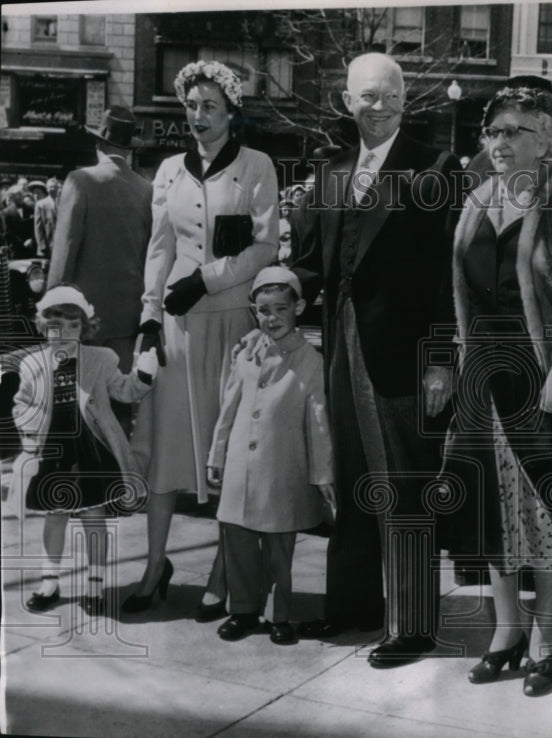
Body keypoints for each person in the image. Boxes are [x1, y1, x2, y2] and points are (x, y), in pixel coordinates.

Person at [290, 52, 462, 668]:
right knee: (353, 478)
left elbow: (450, 274)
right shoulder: (331, 172)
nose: (381, 105)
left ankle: (413, 623)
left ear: (405, 99)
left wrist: (442, 358)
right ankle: (354, 605)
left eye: (391, 95)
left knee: (406, 485)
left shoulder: (436, 166)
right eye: (368, 96)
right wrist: (268, 300)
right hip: (341, 346)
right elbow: (312, 264)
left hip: (405, 353)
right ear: (346, 101)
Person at [447, 85, 552, 696]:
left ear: (546, 138)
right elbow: (462, 294)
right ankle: (506, 631)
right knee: (495, 507)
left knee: (543, 509)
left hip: (545, 374)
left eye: (514, 131)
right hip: (485, 374)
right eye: (492, 132)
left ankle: (546, 635)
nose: (499, 142)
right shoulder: (477, 199)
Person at [125, 60, 279, 619]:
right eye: (191, 106)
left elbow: (265, 247)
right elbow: (159, 247)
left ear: (232, 112)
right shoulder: (168, 170)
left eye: (210, 106)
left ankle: (224, 571)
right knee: (166, 446)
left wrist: (207, 279)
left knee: (229, 452)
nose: (198, 116)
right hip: (175, 325)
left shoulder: (258, 166)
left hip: (232, 323)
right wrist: (148, 314)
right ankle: (154, 564)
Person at [12, 285, 159, 616]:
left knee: (94, 517)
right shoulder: (33, 364)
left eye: (73, 326)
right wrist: (29, 429)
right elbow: (21, 403)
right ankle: (49, 581)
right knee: (55, 515)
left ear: (86, 328)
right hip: (53, 452)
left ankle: (96, 582)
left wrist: (144, 374)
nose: (63, 334)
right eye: (55, 326)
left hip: (90, 450)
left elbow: (125, 391)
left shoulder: (101, 360)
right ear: (42, 326)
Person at [207, 267, 335, 645]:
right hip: (237, 467)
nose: (272, 318)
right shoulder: (246, 353)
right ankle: (243, 611)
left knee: (280, 546)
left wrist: (323, 472)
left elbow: (318, 417)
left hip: (281, 467)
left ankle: (279, 615)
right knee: (238, 541)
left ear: (298, 307)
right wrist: (216, 454)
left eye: (281, 308)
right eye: (264, 310)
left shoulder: (309, 359)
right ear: (254, 311)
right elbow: (229, 406)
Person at [47, 106, 153, 431]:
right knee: (118, 400)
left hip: (81, 317)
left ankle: (78, 476)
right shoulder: (146, 190)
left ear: (99, 145)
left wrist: (53, 309)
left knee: (73, 401)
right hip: (126, 315)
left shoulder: (80, 180)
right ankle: (116, 476)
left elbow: (65, 251)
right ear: (128, 149)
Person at [33, 178, 61, 258]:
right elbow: (38, 227)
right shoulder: (40, 204)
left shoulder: (64, 203)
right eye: (49, 187)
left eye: (54, 187)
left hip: (61, 244)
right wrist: (42, 246)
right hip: (48, 245)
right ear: (46, 189)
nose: (52, 189)